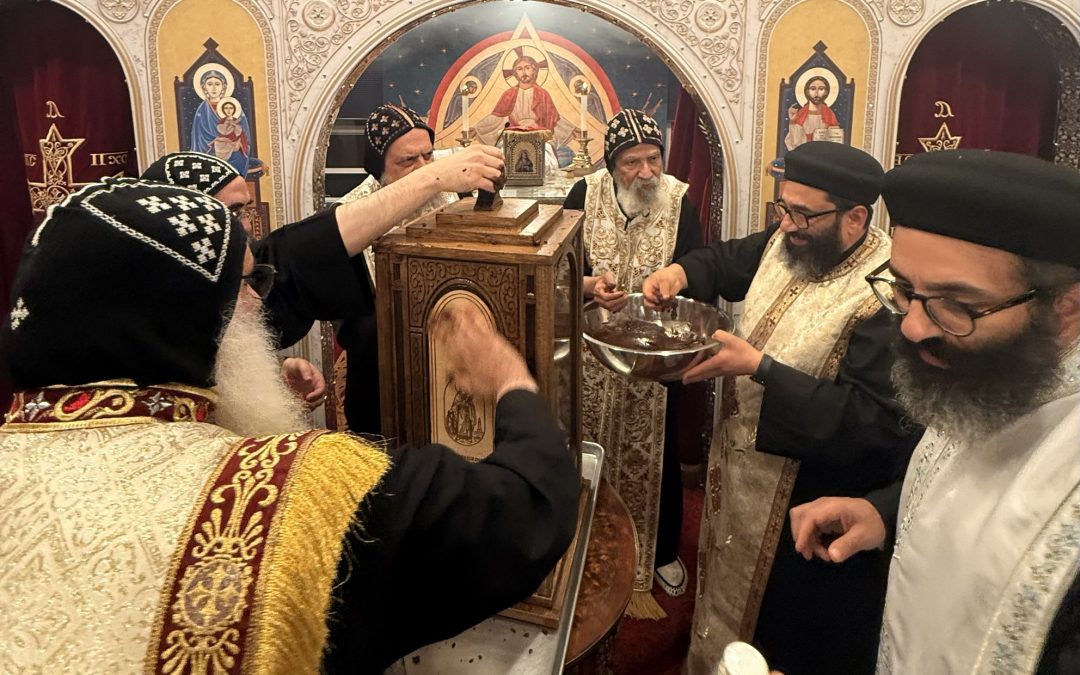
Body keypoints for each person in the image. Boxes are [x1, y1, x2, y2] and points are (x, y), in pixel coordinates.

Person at [0, 178, 579, 674]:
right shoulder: (291, 497)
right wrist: (509, 379)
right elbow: (526, 508)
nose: (259, 307)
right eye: (245, 286)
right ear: (182, 317)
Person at [789, 150, 1080, 675]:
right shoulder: (1004, 371)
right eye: (904, 290)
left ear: (1065, 311)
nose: (912, 327)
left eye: (956, 305)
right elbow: (969, 463)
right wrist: (888, 512)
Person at [642, 141, 921, 674]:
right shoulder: (789, 238)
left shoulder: (885, 298)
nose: (787, 224)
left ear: (855, 218)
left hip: (807, 499)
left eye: (801, 214)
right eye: (782, 208)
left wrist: (760, 367)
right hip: (739, 468)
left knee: (776, 634)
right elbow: (725, 261)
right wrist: (679, 274)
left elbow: (871, 423)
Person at [141, 126, 504, 432]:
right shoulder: (153, 317)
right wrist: (434, 177)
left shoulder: (234, 272)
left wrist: (270, 370)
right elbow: (305, 250)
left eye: (245, 212)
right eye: (231, 214)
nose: (245, 228)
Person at [563, 109, 703, 611]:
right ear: (611, 164)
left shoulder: (681, 202)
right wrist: (589, 287)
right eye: (632, 162)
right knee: (585, 443)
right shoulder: (583, 194)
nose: (646, 173)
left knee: (656, 450)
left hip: (652, 357)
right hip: (591, 354)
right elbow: (559, 265)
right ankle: (583, 546)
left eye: (653, 159)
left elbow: (697, 271)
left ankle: (659, 549)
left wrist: (666, 291)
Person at [475, 54, 576, 147]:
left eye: (527, 68)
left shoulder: (542, 94)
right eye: (519, 69)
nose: (524, 72)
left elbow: (553, 117)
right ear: (515, 73)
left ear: (534, 70)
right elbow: (496, 117)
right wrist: (477, 128)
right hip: (514, 137)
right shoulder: (509, 94)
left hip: (538, 137)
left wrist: (572, 129)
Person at [784, 75, 842, 151]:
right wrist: (792, 121)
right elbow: (793, 143)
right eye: (813, 89)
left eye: (821, 89)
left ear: (826, 92)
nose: (816, 94)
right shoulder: (801, 114)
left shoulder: (829, 114)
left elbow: (836, 143)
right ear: (807, 91)